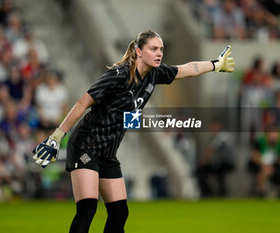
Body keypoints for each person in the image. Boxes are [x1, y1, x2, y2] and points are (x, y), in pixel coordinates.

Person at [32, 30, 235, 233]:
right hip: (87, 143)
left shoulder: (155, 74)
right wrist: (57, 136)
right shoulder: (118, 75)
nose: (159, 53)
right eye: (153, 49)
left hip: (107, 152)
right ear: (138, 51)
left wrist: (215, 64)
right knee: (87, 208)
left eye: (161, 49)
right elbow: (83, 102)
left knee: (120, 213)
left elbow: (188, 69)